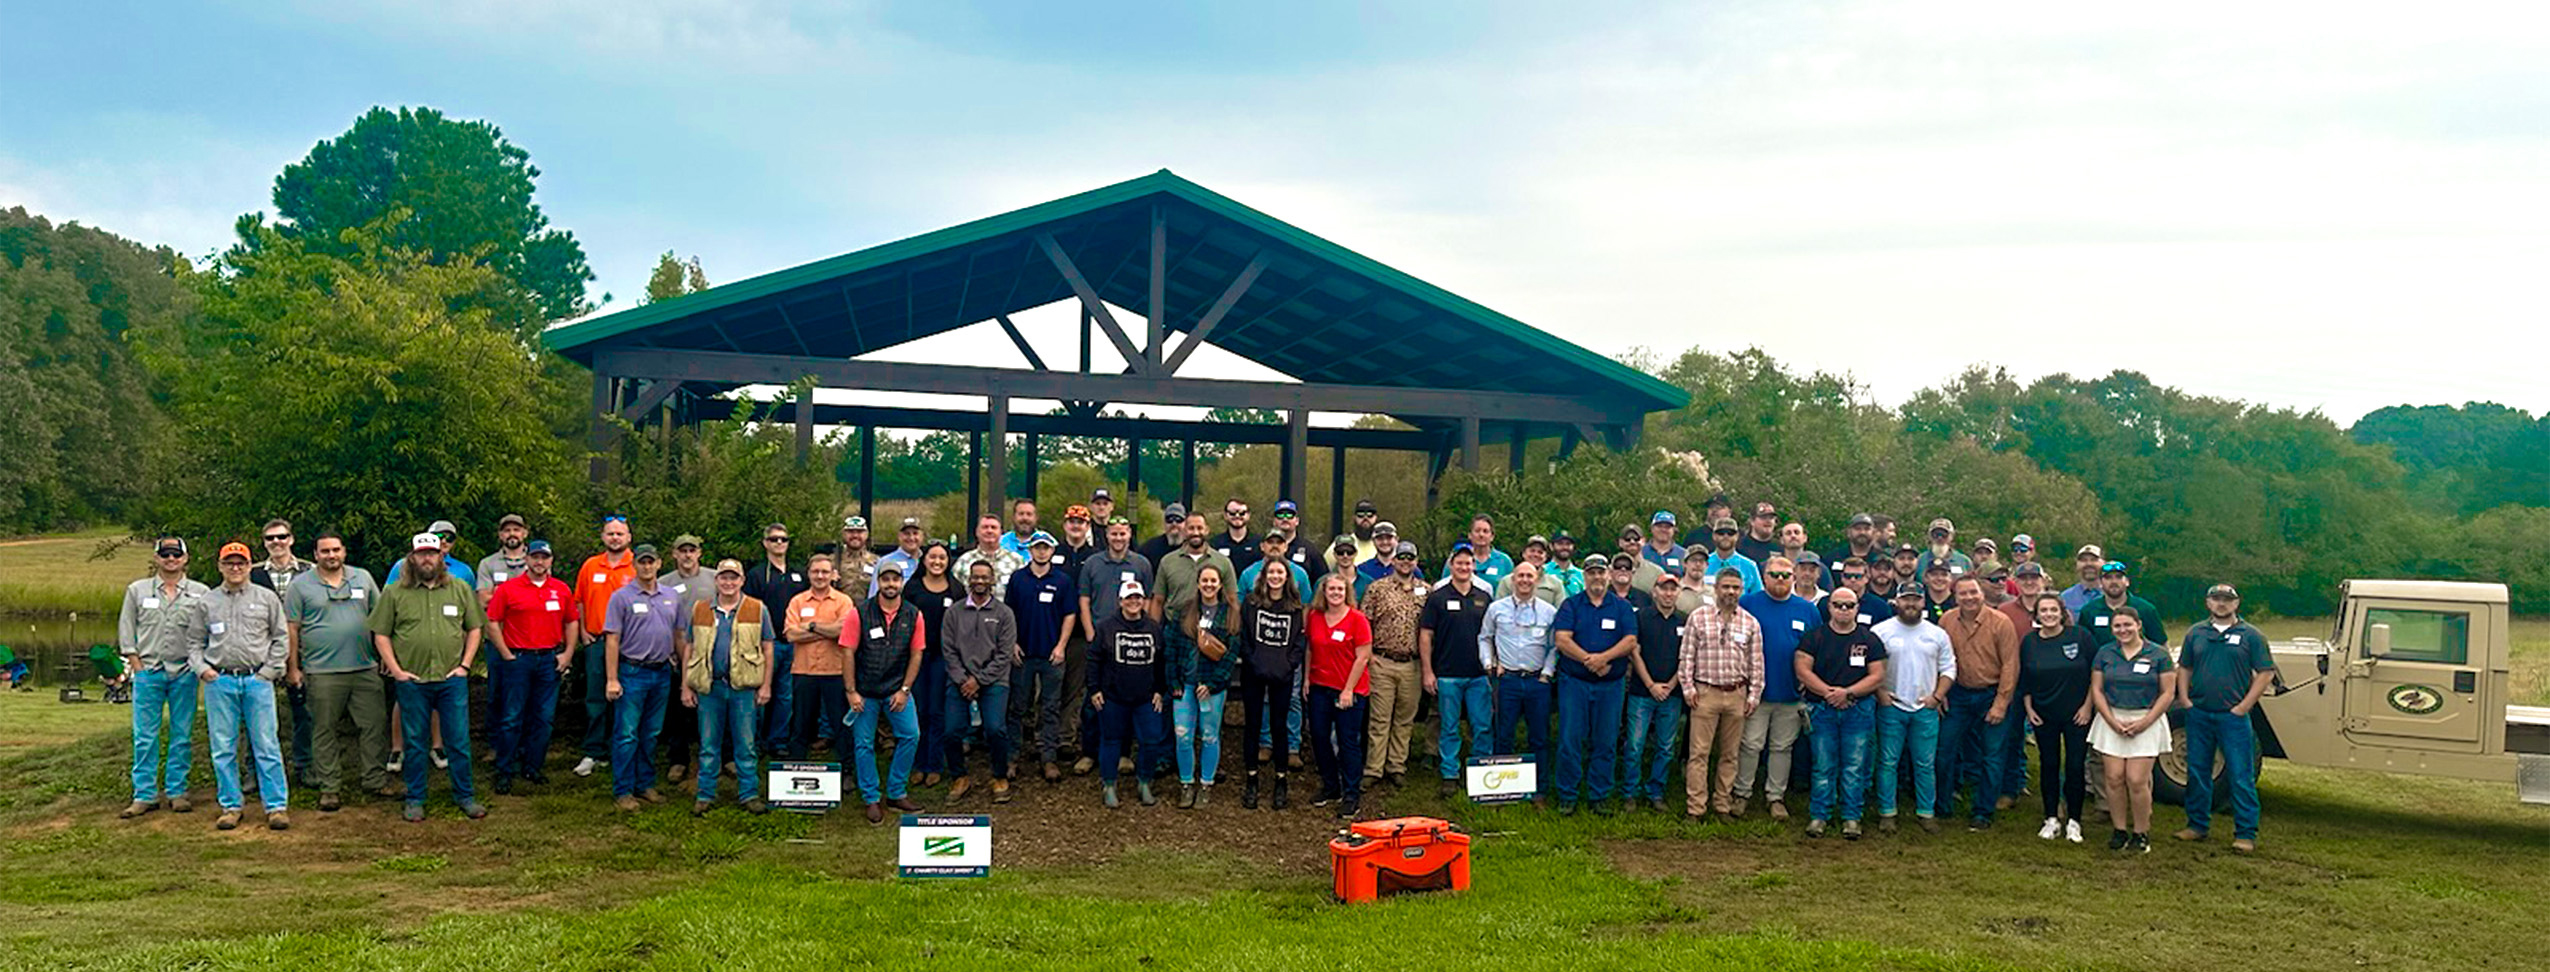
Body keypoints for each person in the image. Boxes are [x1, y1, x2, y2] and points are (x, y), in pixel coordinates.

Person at [370, 532, 489, 823]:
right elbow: (380, 633)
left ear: (441, 557)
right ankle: (415, 798)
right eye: (421, 553)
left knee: (458, 740)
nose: (427, 558)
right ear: (411, 558)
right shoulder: (395, 592)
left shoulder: (460, 588)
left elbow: (475, 628)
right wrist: (396, 670)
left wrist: (465, 665)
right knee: (415, 741)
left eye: (432, 553)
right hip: (413, 681)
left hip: (451, 679)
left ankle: (465, 796)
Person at [285, 531, 393, 811]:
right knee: (323, 729)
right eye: (325, 551)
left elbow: (380, 618)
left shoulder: (362, 577)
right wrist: (293, 667)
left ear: (344, 552)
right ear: (315, 555)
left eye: (336, 550)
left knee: (373, 726)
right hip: (322, 671)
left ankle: (374, 779)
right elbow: (292, 629)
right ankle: (329, 787)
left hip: (364, 667)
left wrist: (385, 656)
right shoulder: (301, 585)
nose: (331, 556)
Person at [194, 542, 293, 831]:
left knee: (266, 744)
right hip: (220, 681)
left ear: (250, 565)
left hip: (257, 681)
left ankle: (275, 806)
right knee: (223, 747)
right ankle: (230, 805)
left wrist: (269, 671)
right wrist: (203, 669)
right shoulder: (207, 602)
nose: (235, 568)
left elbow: (280, 637)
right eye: (229, 563)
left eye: (241, 563)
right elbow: (194, 642)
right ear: (220, 566)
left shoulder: (266, 598)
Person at [2174, 584, 2275, 853]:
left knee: (2240, 774)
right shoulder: (2196, 632)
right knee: (2197, 771)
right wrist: (2184, 699)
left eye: (2227, 600)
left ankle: (2245, 833)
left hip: (2233, 717)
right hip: (2199, 713)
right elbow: (2185, 667)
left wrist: (2244, 706)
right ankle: (2196, 825)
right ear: (2208, 603)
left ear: (2236, 603)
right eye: (2216, 599)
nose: (2222, 604)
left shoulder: (2251, 635)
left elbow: (2265, 673)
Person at [120, 536, 210, 819]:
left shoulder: (201, 592)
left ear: (185, 559)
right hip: (149, 671)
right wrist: (135, 663)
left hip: (184, 673)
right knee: (145, 736)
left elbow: (207, 632)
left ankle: (177, 792)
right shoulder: (137, 590)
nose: (171, 560)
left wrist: (200, 664)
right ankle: (144, 795)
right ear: (156, 558)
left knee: (182, 734)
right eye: (165, 555)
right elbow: (126, 627)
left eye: (176, 555)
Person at [679, 558, 774, 815]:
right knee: (708, 744)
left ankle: (749, 794)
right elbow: (689, 646)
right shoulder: (701, 609)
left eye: (734, 577)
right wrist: (685, 686)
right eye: (724, 577)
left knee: (746, 745)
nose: (728, 582)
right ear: (716, 580)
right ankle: (705, 794)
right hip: (710, 688)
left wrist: (765, 685)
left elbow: (767, 646)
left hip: (744, 688)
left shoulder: (757, 608)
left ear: (742, 581)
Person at [482, 539, 578, 795]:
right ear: (526, 559)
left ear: (551, 561)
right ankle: (505, 770)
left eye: (544, 557)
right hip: (519, 659)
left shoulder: (561, 589)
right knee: (512, 717)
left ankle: (533, 766)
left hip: (549, 660)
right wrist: (505, 654)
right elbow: (492, 622)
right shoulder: (509, 589)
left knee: (544, 718)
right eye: (535, 557)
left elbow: (571, 621)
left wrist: (567, 653)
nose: (539, 562)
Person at [1794, 588, 1887, 839]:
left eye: (1849, 605)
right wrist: (1829, 693)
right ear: (1830, 607)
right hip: (1822, 709)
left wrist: (1848, 693)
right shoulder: (1814, 637)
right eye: (1838, 605)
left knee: (1854, 766)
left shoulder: (1870, 639)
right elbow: (1803, 669)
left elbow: (1877, 675)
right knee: (1823, 766)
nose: (1844, 610)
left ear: (1857, 607)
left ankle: (1851, 818)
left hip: (1858, 710)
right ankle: (1819, 816)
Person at [1549, 555, 1637, 815]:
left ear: (1608, 575)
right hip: (1575, 682)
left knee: (1606, 741)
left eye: (1601, 572)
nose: (1597, 577)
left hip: (1611, 685)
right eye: (1591, 573)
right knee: (1570, 739)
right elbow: (1562, 640)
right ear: (1584, 576)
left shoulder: (1621, 607)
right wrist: (1589, 660)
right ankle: (1568, 794)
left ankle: (1599, 795)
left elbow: (1630, 640)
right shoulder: (1571, 605)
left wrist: (1604, 658)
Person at [1735, 556, 1819, 819]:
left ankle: (1775, 796)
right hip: (1756, 693)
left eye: (1785, 575)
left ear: (1794, 577)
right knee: (1750, 744)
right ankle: (1741, 793)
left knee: (1782, 748)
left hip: (1791, 693)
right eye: (1774, 575)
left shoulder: (1807, 610)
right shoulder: (1748, 604)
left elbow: (1816, 649)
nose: (1780, 580)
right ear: (1764, 576)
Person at [602, 544, 683, 812]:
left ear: (660, 563)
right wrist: (612, 679)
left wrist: (684, 670)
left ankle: (645, 784)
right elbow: (612, 640)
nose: (647, 567)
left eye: (651, 562)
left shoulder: (671, 596)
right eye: (642, 562)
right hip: (632, 672)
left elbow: (679, 636)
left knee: (651, 734)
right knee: (626, 734)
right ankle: (623, 790)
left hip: (661, 673)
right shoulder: (621, 597)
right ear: (634, 565)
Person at [1677, 568, 1763, 821]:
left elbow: (1756, 663)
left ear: (1742, 591)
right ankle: (1696, 808)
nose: (1730, 592)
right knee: (1699, 754)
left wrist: (1753, 695)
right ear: (1715, 589)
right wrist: (1689, 688)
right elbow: (1686, 656)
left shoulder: (1750, 622)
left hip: (1736, 693)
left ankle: (1722, 805)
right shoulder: (1698, 618)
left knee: (1729, 755)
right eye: (1725, 587)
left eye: (1735, 588)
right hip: (1705, 693)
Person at [1936, 576, 2020, 830]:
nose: (1969, 598)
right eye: (1963, 594)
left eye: (1973, 592)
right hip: (1958, 693)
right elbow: (1940, 659)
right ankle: (1943, 806)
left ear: (1982, 593)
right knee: (1944, 751)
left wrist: (2001, 703)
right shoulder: (1946, 621)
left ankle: (1983, 811)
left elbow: (2010, 665)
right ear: (1955, 596)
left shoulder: (2001, 622)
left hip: (1991, 693)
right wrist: (1939, 694)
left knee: (1992, 755)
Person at [845, 561, 927, 824]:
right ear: (878, 582)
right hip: (864, 691)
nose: (891, 585)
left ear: (902, 583)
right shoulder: (859, 613)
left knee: (911, 735)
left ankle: (895, 792)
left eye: (896, 580)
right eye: (886, 580)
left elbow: (916, 654)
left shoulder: (914, 614)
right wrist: (851, 691)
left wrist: (905, 690)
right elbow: (847, 651)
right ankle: (871, 797)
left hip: (896, 689)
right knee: (863, 744)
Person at [2089, 608, 2176, 854]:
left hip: (2146, 719)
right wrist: (2111, 720)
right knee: (2114, 779)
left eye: (2127, 625)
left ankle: (2141, 832)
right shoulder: (2105, 653)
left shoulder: (2158, 654)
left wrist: (2146, 722)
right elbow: (2097, 689)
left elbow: (2168, 692)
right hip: (2112, 719)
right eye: (2117, 626)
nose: (2123, 630)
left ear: (2138, 625)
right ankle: (2119, 830)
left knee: (2137, 780)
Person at [1075, 518, 1154, 775]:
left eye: (1123, 533)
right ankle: (1089, 752)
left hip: (1131, 641)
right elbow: (1084, 600)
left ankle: (1122, 754)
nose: (1118, 538)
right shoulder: (1093, 564)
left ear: (1129, 535)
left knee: (1127, 699)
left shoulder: (1141, 564)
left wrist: (1146, 630)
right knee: (1093, 699)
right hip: (1101, 641)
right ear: (1106, 536)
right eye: (1114, 534)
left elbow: (1149, 601)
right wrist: (1089, 633)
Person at [1873, 586, 1954, 833]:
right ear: (1896, 601)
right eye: (1906, 599)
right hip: (1891, 707)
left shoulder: (1937, 633)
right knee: (1887, 762)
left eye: (1916, 599)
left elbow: (1949, 668)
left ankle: (1926, 812)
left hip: (1925, 708)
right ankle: (1887, 812)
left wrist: (1937, 696)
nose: (1911, 604)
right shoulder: (1881, 631)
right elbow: (1871, 667)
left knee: (1925, 764)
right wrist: (1880, 693)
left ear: (1923, 602)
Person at [2019, 592, 2095, 844]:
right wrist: (2029, 709)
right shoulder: (2029, 642)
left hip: (2077, 714)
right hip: (2043, 714)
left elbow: (2096, 675)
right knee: (2048, 765)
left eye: (2053, 610)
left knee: (2075, 766)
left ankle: (2074, 821)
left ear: (2062, 612)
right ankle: (2051, 818)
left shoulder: (2080, 636)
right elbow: (2025, 680)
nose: (2049, 615)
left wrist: (2087, 707)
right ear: (2037, 615)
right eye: (2044, 611)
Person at [942, 560, 1020, 803]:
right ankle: (959, 776)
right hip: (959, 680)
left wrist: (980, 680)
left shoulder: (1004, 613)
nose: (979, 581)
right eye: (975, 577)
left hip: (994, 681)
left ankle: (999, 776)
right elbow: (948, 650)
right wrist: (964, 679)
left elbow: (1005, 654)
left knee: (995, 729)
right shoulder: (953, 612)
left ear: (993, 580)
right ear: (968, 580)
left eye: (985, 577)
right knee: (952, 731)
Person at [1420, 544, 1494, 800]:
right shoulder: (1438, 596)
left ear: (1474, 566)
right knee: (1449, 726)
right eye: (1459, 563)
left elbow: (1493, 634)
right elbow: (1426, 635)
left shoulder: (1484, 596)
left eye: (1468, 563)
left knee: (1482, 726)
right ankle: (1449, 774)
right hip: (1447, 674)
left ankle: (1481, 774)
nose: (1464, 567)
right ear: (1451, 566)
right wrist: (1428, 672)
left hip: (1478, 675)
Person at [249, 519, 317, 789]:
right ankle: (253, 770)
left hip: (303, 651)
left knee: (305, 712)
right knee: (254, 714)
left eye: (281, 536)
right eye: (270, 538)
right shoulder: (252, 573)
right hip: (260, 652)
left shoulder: (310, 571)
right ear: (264, 543)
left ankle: (305, 766)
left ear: (291, 539)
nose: (276, 542)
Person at [1088, 579, 1169, 809]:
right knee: (1111, 740)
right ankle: (1109, 784)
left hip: (1145, 697)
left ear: (1143, 601)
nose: (1133, 602)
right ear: (1120, 601)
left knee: (1151, 740)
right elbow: (1094, 659)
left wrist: (1159, 690)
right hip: (1113, 696)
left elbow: (1161, 662)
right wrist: (1094, 689)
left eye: (1137, 598)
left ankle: (1145, 782)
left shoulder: (1153, 627)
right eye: (1129, 598)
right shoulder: (1106, 627)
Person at [1482, 561, 1559, 799]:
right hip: (1508, 681)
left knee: (1539, 737)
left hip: (1538, 682)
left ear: (1536, 580)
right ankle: (1503, 790)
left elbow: (1556, 646)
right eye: (1521, 576)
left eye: (1530, 576)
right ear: (1513, 579)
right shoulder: (1497, 608)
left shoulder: (1549, 611)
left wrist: (1547, 673)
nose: (1525, 580)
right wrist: (1489, 664)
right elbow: (1485, 637)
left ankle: (1540, 790)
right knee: (1504, 734)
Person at [1007, 531, 1079, 783]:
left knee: (1049, 708)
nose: (1041, 552)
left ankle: (1048, 758)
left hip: (1051, 656)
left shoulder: (1062, 581)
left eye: (1046, 548)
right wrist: (1012, 643)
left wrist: (1061, 646)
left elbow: (1070, 614)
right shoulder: (1017, 579)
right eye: (1037, 547)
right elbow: (1009, 614)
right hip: (1022, 654)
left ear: (1052, 551)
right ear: (1030, 550)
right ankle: (1012, 757)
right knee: (1017, 708)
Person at [1237, 558, 1309, 809]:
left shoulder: (1295, 606)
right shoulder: (1251, 603)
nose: (1275, 576)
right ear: (1264, 575)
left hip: (1282, 675)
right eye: (1271, 572)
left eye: (1280, 572)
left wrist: (1288, 665)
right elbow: (1244, 638)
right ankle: (1252, 779)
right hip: (1253, 672)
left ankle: (1281, 781)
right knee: (1253, 726)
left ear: (1287, 576)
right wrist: (1253, 662)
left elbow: (1299, 643)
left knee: (1279, 726)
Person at [1357, 541, 1427, 791]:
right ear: (1394, 560)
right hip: (1382, 661)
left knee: (1404, 719)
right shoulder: (1377, 589)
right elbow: (1364, 624)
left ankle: (1396, 766)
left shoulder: (1425, 591)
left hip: (1412, 664)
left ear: (1416, 561)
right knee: (1379, 719)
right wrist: (1369, 656)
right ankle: (1373, 769)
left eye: (1411, 557)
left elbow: (1429, 630)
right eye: (1401, 557)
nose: (1406, 561)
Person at [571, 515, 637, 778]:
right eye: (610, 533)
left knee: (628, 699)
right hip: (597, 641)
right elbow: (580, 601)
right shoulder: (590, 566)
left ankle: (619, 751)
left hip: (629, 646)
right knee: (596, 698)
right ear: (603, 537)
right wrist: (584, 631)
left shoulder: (637, 566)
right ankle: (593, 752)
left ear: (628, 538)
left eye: (620, 534)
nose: (615, 538)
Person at [1165, 563, 1236, 808]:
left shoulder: (1229, 614)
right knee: (1183, 735)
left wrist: (1214, 684)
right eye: (1204, 580)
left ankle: (1206, 784)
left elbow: (1230, 654)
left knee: (1209, 736)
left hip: (1211, 687)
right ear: (1198, 583)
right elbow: (1171, 647)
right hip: (1184, 684)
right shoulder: (1185, 611)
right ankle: (1186, 783)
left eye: (1213, 581)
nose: (1208, 585)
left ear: (1220, 584)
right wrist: (1173, 680)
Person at [740, 522, 809, 772]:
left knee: (785, 696)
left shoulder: (799, 573)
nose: (779, 543)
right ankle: (755, 741)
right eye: (774, 539)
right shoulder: (757, 575)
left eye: (783, 539)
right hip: (763, 645)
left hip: (793, 644)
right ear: (765, 543)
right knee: (759, 696)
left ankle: (778, 741)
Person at [1305, 573, 1374, 817]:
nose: (1335, 593)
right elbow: (1310, 649)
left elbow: (1363, 656)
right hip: (1319, 686)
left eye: (1340, 589)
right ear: (1323, 591)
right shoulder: (1314, 617)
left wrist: (1348, 689)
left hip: (1349, 690)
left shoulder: (1357, 619)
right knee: (1319, 737)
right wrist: (1306, 679)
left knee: (1347, 741)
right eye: (1331, 589)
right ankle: (1330, 786)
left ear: (1347, 592)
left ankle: (1351, 793)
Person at [1624, 573, 1688, 813]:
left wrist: (1671, 685)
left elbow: (1687, 658)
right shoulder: (1640, 617)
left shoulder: (1684, 621)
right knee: (1634, 746)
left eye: (1673, 589)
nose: (1668, 593)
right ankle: (1630, 792)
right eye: (1664, 588)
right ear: (1655, 591)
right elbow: (1634, 652)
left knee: (1665, 747)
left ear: (1678, 593)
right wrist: (1651, 684)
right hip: (1642, 692)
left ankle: (1656, 792)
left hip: (1671, 695)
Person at [782, 555, 855, 761]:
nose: (820, 576)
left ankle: (847, 769)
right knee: (800, 724)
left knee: (841, 724)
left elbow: (843, 631)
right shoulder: (797, 601)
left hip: (835, 671)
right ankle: (795, 766)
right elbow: (791, 635)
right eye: (815, 572)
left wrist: (812, 626)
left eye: (825, 572)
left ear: (833, 575)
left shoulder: (843, 601)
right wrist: (827, 630)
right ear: (809, 574)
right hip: (804, 671)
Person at [656, 535, 712, 781]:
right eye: (683, 551)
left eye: (692, 550)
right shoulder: (663, 583)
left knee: (715, 708)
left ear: (699, 553)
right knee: (679, 711)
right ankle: (678, 761)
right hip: (676, 655)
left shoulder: (716, 577)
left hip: (711, 653)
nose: (688, 555)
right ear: (674, 554)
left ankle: (724, 758)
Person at [905, 543, 958, 787]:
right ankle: (918, 764)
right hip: (916, 656)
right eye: (932, 557)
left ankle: (935, 764)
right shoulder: (913, 588)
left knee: (937, 712)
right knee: (919, 711)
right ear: (924, 560)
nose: (937, 561)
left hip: (944, 657)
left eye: (942, 557)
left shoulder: (956, 589)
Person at [2080, 560, 2168, 650]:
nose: (2114, 581)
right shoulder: (2089, 611)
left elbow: (2161, 645)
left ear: (2127, 581)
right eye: (2108, 578)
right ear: (2100, 583)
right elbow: (2083, 647)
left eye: (2118, 577)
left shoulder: (2146, 609)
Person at [956, 514, 1027, 598]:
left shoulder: (1017, 561)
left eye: (993, 527)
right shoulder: (964, 561)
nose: (989, 531)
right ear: (977, 532)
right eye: (985, 527)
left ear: (1001, 533)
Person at [1499, 536, 1569, 608]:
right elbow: (1498, 609)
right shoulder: (1507, 582)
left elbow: (1561, 612)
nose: (1535, 555)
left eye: (1540, 552)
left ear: (1545, 557)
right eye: (1532, 551)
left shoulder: (1555, 584)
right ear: (1524, 554)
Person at [1701, 518, 1764, 596]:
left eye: (1730, 533)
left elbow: (1758, 596)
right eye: (1721, 533)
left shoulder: (1750, 566)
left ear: (1737, 536)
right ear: (1714, 536)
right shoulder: (1703, 563)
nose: (1725, 536)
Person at [475, 514, 531, 597]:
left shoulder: (537, 562)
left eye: (516, 530)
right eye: (507, 530)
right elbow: (484, 599)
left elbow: (543, 595)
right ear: (500, 535)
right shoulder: (487, 563)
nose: (512, 534)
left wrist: (500, 593)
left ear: (525, 533)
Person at [1454, 515, 1515, 588]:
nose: (1481, 535)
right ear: (1470, 535)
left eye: (1485, 531)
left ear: (1492, 536)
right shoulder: (1456, 559)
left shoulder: (1504, 561)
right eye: (1477, 531)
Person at [876, 517, 927, 597]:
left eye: (915, 533)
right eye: (906, 534)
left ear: (922, 536)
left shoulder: (929, 561)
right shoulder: (885, 562)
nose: (911, 538)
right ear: (899, 536)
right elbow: (873, 595)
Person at [835, 516, 878, 602]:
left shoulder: (877, 562)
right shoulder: (832, 561)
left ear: (866, 534)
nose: (855, 535)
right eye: (850, 532)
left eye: (859, 532)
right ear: (843, 534)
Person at [1352, 521, 1399, 598]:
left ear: (1396, 539)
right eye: (1380, 539)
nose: (1384, 542)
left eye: (1389, 538)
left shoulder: (1408, 569)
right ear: (1373, 541)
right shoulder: (1362, 569)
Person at [1614, 525, 1666, 595]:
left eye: (1636, 538)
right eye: (1627, 539)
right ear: (1620, 542)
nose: (1632, 542)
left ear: (1644, 541)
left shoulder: (1657, 572)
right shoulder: (1610, 571)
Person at [1210, 497, 1257, 571]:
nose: (1237, 516)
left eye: (1242, 513)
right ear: (1225, 515)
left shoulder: (1258, 542)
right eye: (1232, 513)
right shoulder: (1214, 543)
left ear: (1248, 515)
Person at [2058, 545, 2106, 617]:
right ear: (2077, 565)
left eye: (2093, 559)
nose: (2088, 564)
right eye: (2083, 560)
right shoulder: (2065, 598)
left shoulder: (2114, 596)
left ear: (2104, 563)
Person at [1347, 498, 1383, 565]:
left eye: (1370, 515)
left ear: (1376, 517)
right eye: (1360, 515)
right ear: (1354, 518)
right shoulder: (1342, 546)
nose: (1365, 519)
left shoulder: (1386, 545)